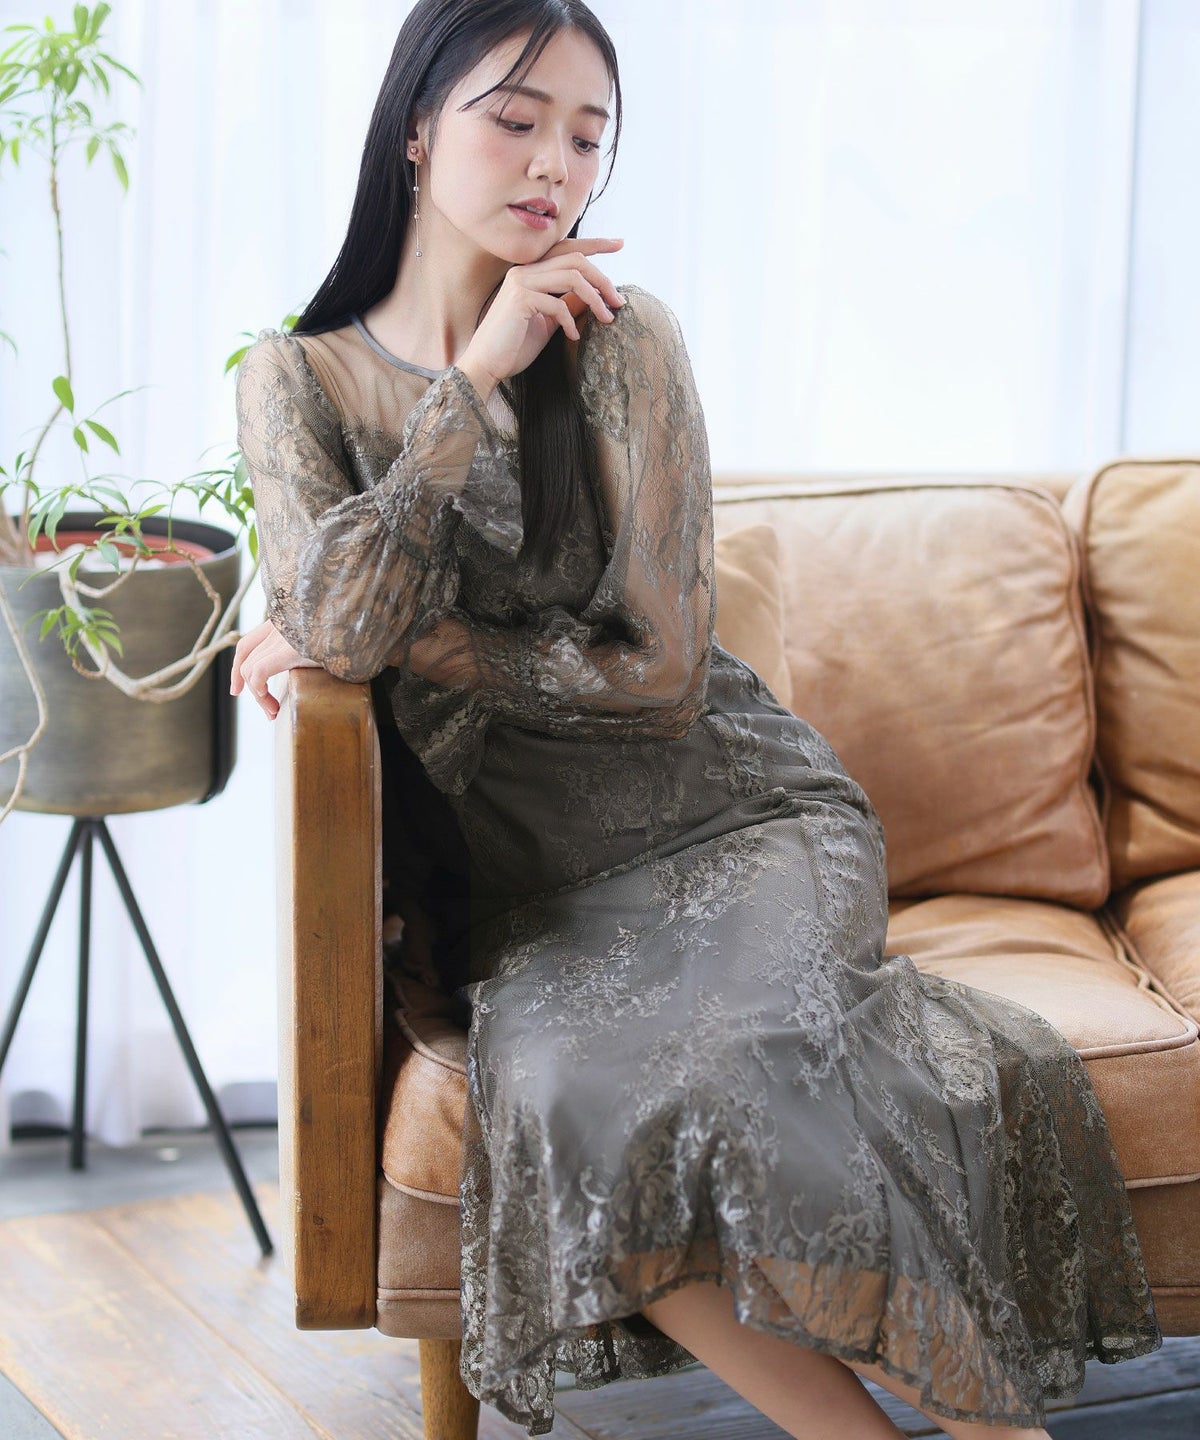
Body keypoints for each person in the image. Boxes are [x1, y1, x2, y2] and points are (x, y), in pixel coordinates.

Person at [231, 2, 1162, 1435]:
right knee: (570, 1096)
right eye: (515, 119)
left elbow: (658, 674)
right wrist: (470, 384)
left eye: (586, 135)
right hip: (532, 890)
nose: (554, 164)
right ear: (416, 128)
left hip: (740, 823)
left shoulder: (624, 341)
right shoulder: (293, 382)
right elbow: (343, 628)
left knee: (745, 1061)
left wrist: (417, 637)